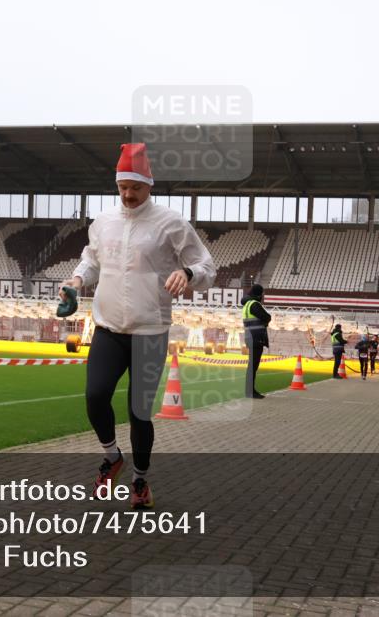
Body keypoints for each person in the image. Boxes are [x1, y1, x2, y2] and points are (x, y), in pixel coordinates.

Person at [61, 143, 215, 510]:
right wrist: (77, 282)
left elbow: (206, 266)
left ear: (149, 185)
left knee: (139, 412)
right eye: (122, 187)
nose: (128, 195)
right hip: (108, 328)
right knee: (96, 396)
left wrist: (187, 272)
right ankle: (112, 456)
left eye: (136, 188)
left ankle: (141, 479)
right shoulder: (103, 222)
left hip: (150, 331)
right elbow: (91, 260)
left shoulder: (171, 223)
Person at [241, 284, 271, 399]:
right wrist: (265, 321)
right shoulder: (254, 304)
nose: (263, 296)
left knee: (252, 366)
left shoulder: (247, 304)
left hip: (250, 337)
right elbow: (267, 317)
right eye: (262, 293)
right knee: (253, 366)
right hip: (256, 338)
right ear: (258, 293)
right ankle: (250, 392)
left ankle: (250, 390)